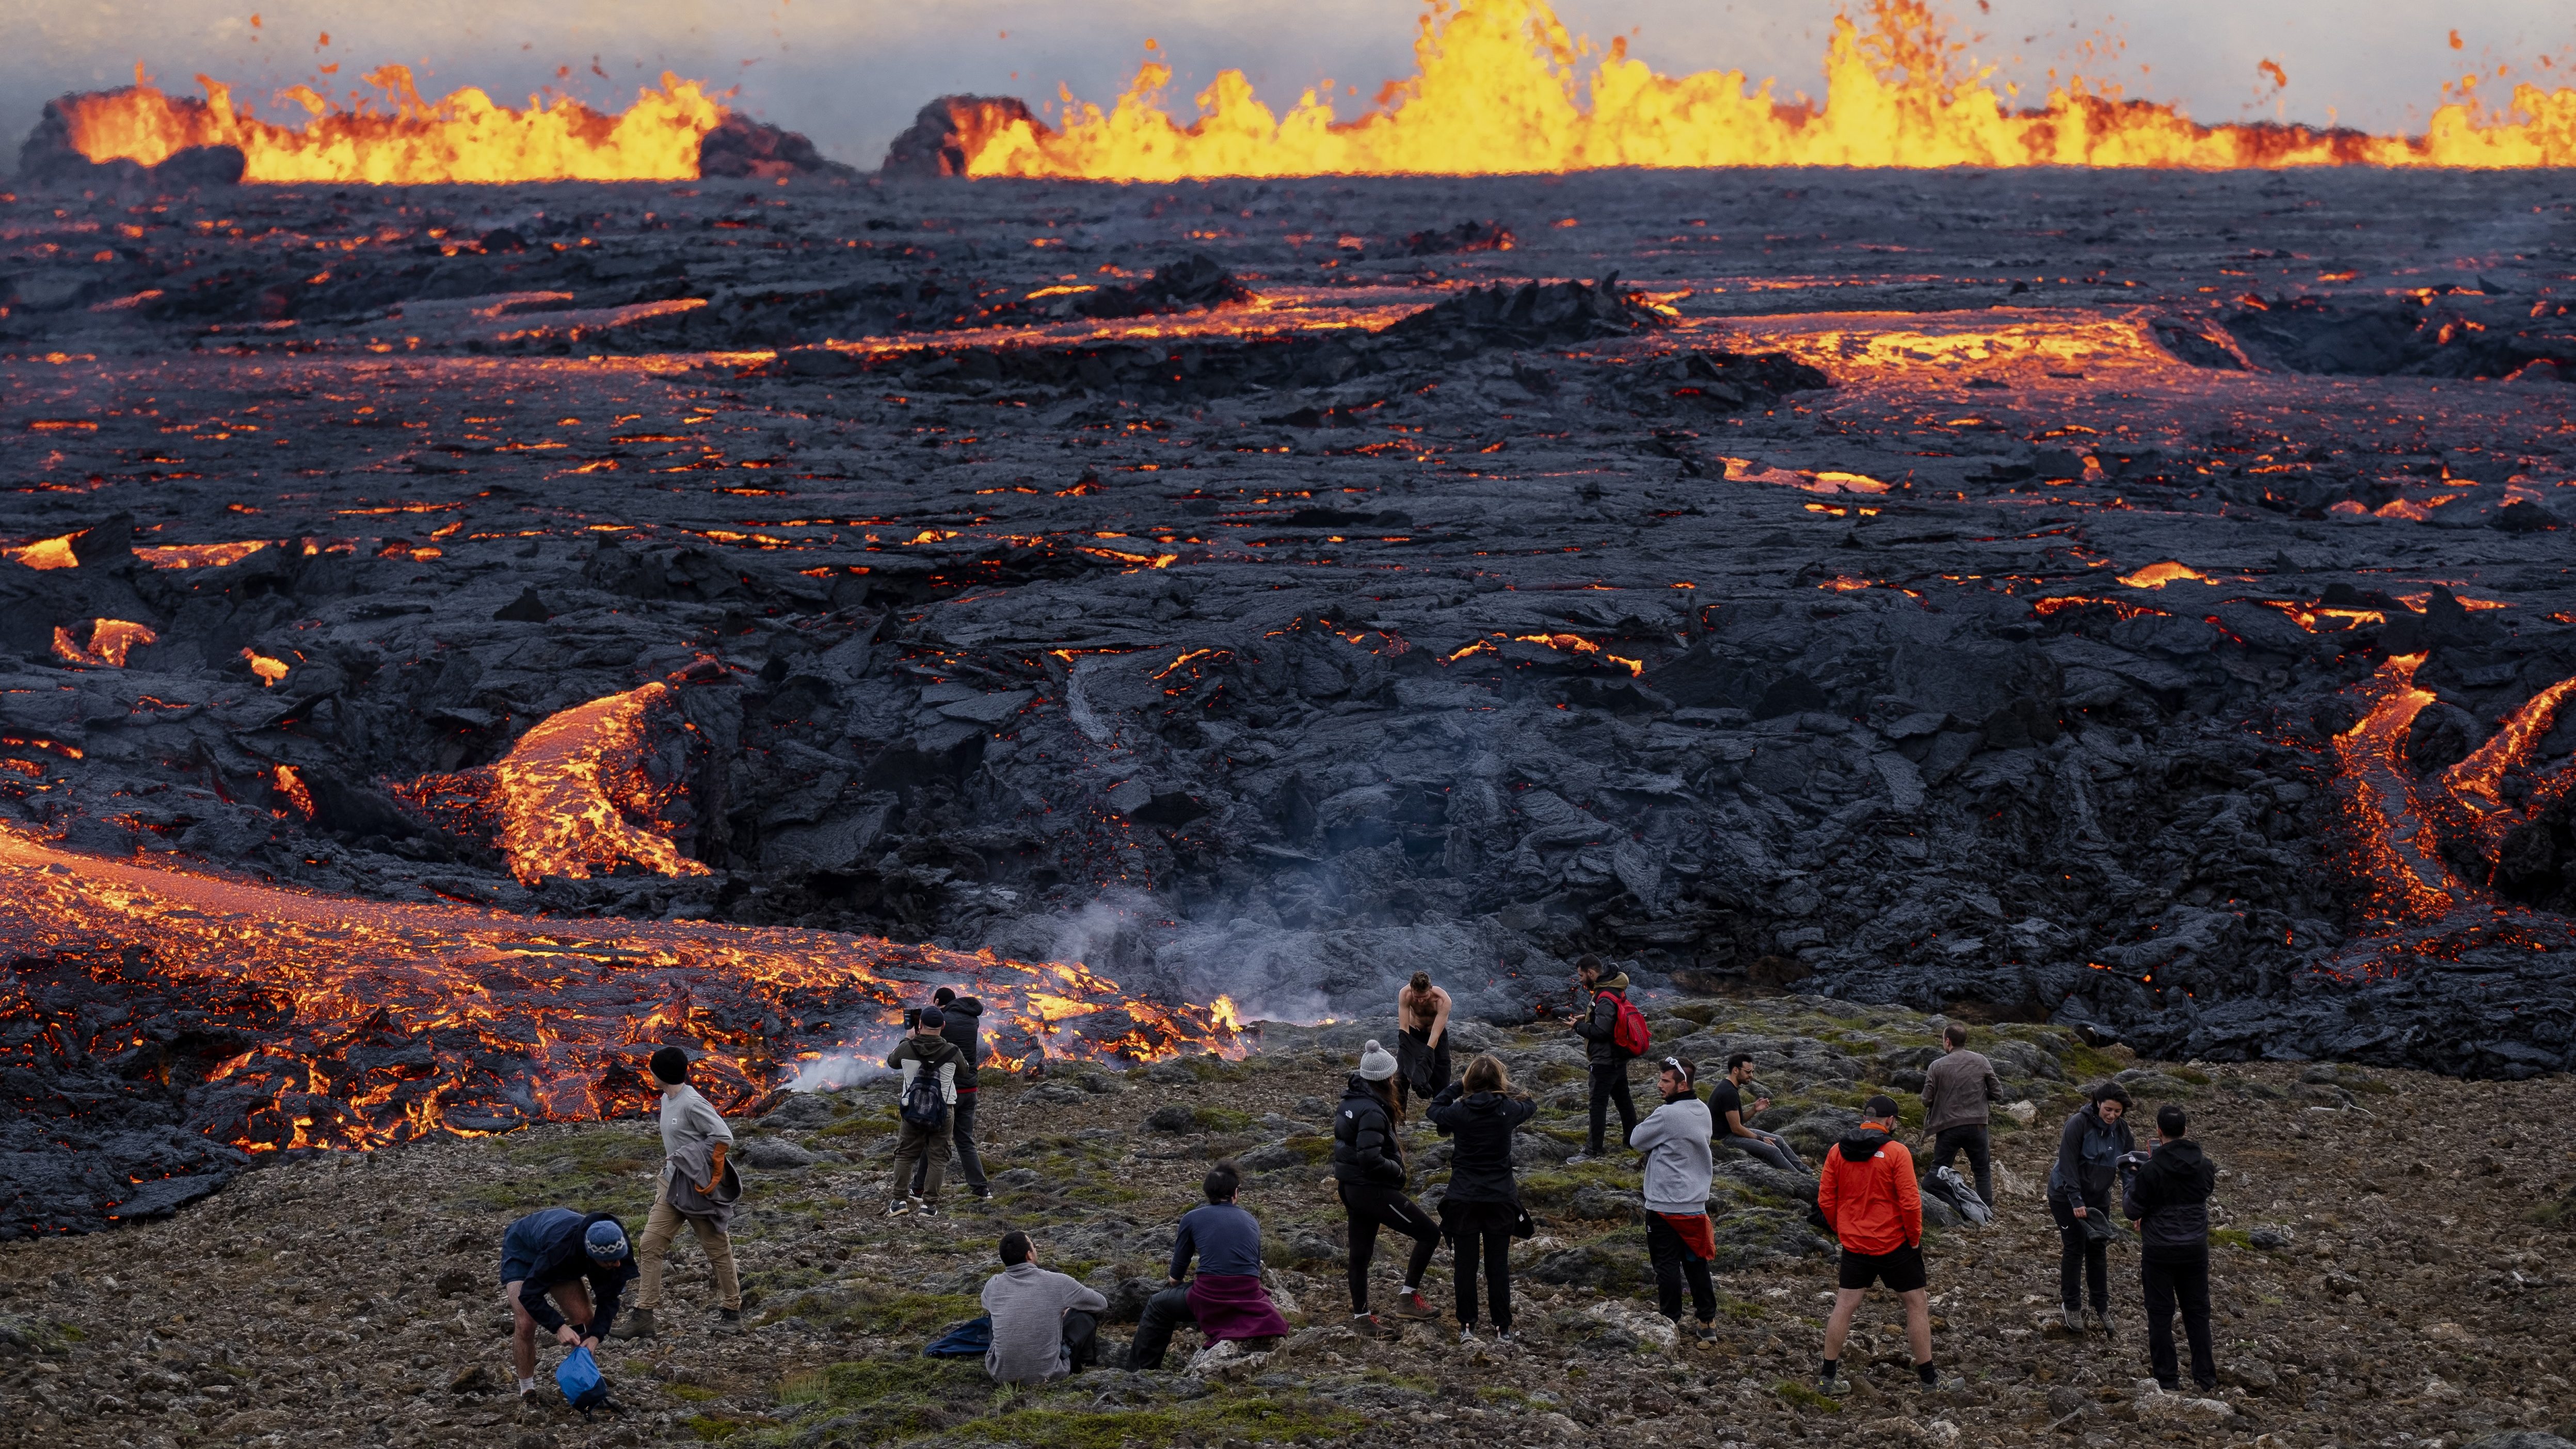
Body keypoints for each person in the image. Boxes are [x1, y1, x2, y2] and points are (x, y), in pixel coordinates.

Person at [1816, 1096, 1948, 1396]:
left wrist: (1843, 1230)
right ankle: (1929, 1381)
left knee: (1845, 1306)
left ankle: (1827, 1378)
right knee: (1916, 1304)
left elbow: (1825, 1199)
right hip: (1895, 1245)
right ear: (1889, 1121)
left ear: (1867, 1117)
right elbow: (1911, 1203)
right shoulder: (1897, 1152)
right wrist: (1913, 1239)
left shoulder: (1837, 1151)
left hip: (1855, 1245)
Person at [615, 1046, 741, 1340]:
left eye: (653, 1069)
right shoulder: (666, 1098)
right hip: (671, 1186)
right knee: (650, 1244)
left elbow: (724, 1136)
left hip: (697, 1191)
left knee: (717, 1250)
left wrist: (690, 1156)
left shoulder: (691, 1103)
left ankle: (733, 1313)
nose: (650, 1073)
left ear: (662, 1074)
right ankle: (644, 1315)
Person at [1126, 1161, 1293, 1370]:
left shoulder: (1192, 1218)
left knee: (1158, 1305)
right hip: (1249, 1295)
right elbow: (1254, 1267)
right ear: (1235, 1193)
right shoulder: (1251, 1220)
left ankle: (1140, 1371)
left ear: (1207, 1192)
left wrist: (1178, 1284)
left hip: (1209, 1295)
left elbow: (1175, 1276)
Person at [1332, 1040, 1442, 1331]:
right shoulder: (1372, 1110)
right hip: (1372, 1190)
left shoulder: (1350, 1100)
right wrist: (1397, 1173)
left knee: (1360, 1254)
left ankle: (1362, 1319)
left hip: (1351, 1188)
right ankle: (1407, 1299)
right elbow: (1370, 1158)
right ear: (1386, 1078)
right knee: (1430, 1233)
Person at [1427, 1054, 1535, 1345]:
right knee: (1497, 1265)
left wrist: (1457, 1085)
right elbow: (1531, 1102)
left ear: (1469, 1083)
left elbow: (1434, 1109)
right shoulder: (1509, 1110)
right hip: (1500, 1198)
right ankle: (1503, 1329)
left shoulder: (1459, 1112)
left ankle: (1467, 1327)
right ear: (1498, 1082)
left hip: (1463, 1198)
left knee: (1466, 1265)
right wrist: (1503, 1086)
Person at [2124, 1104, 2219, 1392]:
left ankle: (2168, 1380)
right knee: (2198, 1313)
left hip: (2159, 1251)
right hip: (2195, 1249)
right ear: (2186, 1131)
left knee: (2160, 1315)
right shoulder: (2205, 1165)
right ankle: (2206, 1378)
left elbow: (2131, 1210)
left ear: (2159, 1132)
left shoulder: (2151, 1170)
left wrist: (2130, 1178)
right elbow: (2202, 1191)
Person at [500, 1207, 637, 1402]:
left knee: (584, 1320)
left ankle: (583, 1382)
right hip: (523, 1248)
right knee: (526, 1322)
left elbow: (610, 1298)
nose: (617, 1266)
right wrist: (559, 1327)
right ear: (592, 1256)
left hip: (557, 1249)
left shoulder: (615, 1245)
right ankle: (527, 1390)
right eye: (610, 1262)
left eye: (619, 1259)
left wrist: (597, 1336)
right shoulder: (561, 1253)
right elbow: (530, 1294)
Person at [1628, 1055, 1718, 1342]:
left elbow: (1636, 1140)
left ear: (1682, 1085)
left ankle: (1670, 1321)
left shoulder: (1667, 1115)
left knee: (1666, 1265)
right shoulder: (1703, 1111)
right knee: (1696, 1263)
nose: (1659, 1085)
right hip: (1694, 1207)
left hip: (1664, 1207)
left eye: (1665, 1081)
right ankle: (1707, 1322)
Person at [2047, 1082, 2137, 1336]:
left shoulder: (2121, 1130)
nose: (2112, 1116)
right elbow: (2067, 1163)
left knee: (2098, 1248)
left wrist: (2135, 1200)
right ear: (2098, 1103)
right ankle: (2072, 1305)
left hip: (2099, 1196)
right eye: (2108, 1109)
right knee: (2075, 1246)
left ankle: (2101, 1306)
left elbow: (2129, 1166)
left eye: (2117, 1112)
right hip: (2066, 1195)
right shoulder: (2078, 1124)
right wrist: (2076, 1201)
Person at [981, 1230, 1107, 1385]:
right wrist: (1063, 1309)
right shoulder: (1058, 1282)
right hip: (1049, 1374)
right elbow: (1100, 1303)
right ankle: (1084, 1360)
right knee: (1084, 1315)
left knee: (992, 1317)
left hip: (1001, 1375)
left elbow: (988, 1304)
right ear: (1029, 1255)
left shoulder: (992, 1286)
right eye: (1034, 1246)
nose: (1036, 1249)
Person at [912, 986, 993, 1202]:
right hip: (970, 1089)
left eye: (932, 1001)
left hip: (948, 1091)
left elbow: (926, 1044)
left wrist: (921, 1024)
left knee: (932, 1139)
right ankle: (982, 1189)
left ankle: (918, 1189)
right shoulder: (972, 1019)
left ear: (938, 1001)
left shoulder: (944, 1022)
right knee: (965, 1140)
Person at [887, 1006, 966, 1217]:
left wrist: (907, 1038)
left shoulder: (907, 1048)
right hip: (944, 1110)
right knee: (938, 1158)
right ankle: (929, 1206)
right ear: (943, 1026)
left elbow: (892, 1062)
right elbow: (964, 1070)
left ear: (920, 1025)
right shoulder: (953, 1051)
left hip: (912, 1110)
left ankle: (899, 1202)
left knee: (904, 1155)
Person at [1920, 1024, 2003, 1207]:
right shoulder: (1982, 1061)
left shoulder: (1936, 1066)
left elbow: (1926, 1100)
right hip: (1977, 1126)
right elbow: (1998, 1093)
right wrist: (1979, 1096)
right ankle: (1986, 1213)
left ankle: (1953, 1206)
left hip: (1948, 1127)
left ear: (1948, 1041)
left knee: (1940, 1170)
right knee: (1982, 1171)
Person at [1566, 955, 1639, 1161]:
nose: (1580, 979)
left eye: (1581, 975)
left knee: (1597, 1105)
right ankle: (1632, 1141)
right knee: (1624, 1101)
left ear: (1591, 972)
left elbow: (1602, 1032)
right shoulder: (1612, 988)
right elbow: (1608, 1019)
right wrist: (1587, 1016)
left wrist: (1578, 1027)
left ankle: (1593, 1151)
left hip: (1605, 1061)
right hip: (1617, 1058)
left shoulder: (1605, 995)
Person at [1710, 1052, 1802, 1173]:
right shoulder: (1728, 1092)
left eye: (1752, 1071)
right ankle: (1798, 1178)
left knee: (1778, 1140)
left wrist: (1754, 1109)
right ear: (1736, 1070)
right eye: (1748, 1072)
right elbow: (1736, 1128)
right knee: (1773, 1151)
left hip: (1730, 1133)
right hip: (1725, 1139)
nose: (1752, 1076)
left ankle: (1806, 1172)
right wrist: (1760, 1138)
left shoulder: (1729, 1087)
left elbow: (1738, 1121)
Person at [1394, 972, 1453, 1117]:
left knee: (1442, 1075)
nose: (1420, 1001)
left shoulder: (1443, 1000)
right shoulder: (1405, 994)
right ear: (1412, 990)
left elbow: (1434, 1037)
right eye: (1417, 997)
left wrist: (1421, 1068)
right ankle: (1399, 1119)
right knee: (1400, 1076)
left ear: (1430, 989)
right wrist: (1409, 1064)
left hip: (1435, 1035)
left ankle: (1442, 1117)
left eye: (1424, 997)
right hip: (1413, 1034)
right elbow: (1404, 1029)